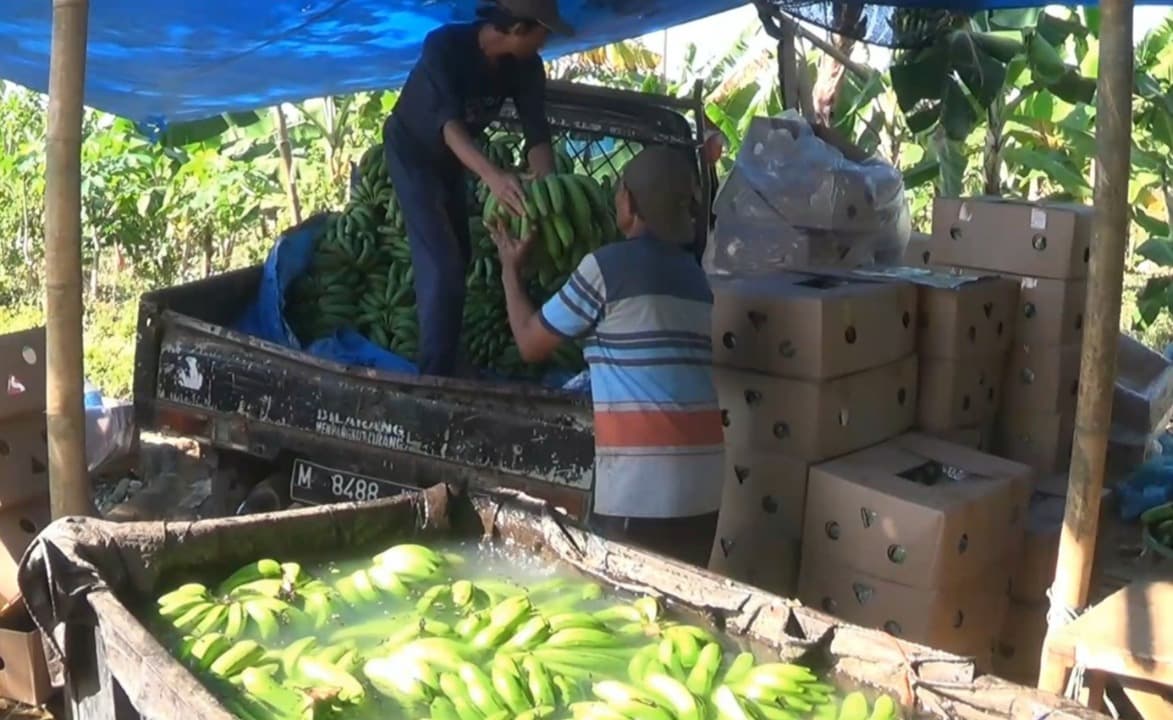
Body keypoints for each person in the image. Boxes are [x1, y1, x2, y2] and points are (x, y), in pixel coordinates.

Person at [488, 146, 725, 566]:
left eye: (618, 192)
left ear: (630, 204)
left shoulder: (606, 268)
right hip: (706, 493)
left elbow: (528, 343)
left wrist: (510, 269)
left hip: (642, 495)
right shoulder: (696, 279)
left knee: (627, 615)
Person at [382, 0, 573, 377]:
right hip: (413, 152)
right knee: (440, 263)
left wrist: (547, 193)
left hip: (455, 157)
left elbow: (537, 135)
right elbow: (447, 126)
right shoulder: (446, 47)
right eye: (542, 33)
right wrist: (493, 176)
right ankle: (434, 380)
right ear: (518, 30)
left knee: (461, 254)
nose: (546, 42)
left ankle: (447, 354)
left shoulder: (526, 68)